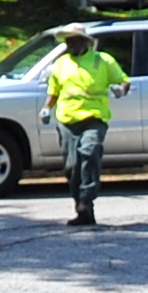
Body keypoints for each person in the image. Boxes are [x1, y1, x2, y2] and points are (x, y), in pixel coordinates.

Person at [43, 24, 128, 226]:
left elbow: (124, 80)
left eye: (75, 40)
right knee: (72, 167)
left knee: (89, 153)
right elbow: (54, 90)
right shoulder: (61, 64)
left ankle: (86, 198)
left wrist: (120, 89)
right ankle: (84, 211)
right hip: (67, 120)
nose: (71, 44)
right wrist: (46, 108)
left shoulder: (103, 61)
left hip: (94, 118)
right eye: (68, 41)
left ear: (84, 41)